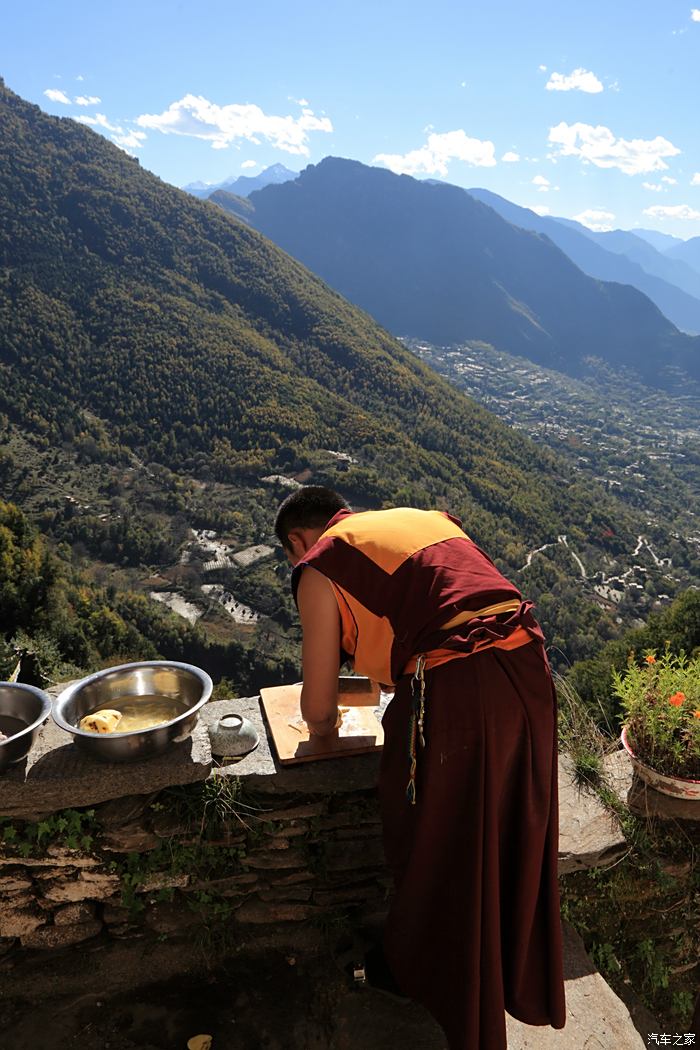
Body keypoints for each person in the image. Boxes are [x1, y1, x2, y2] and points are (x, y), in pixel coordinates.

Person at [274, 485, 566, 1050]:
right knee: (505, 832)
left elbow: (316, 707)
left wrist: (326, 730)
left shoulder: (320, 563)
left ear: (297, 540)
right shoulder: (419, 520)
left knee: (436, 846)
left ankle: (441, 989)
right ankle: (503, 972)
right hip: (529, 671)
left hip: (460, 690)